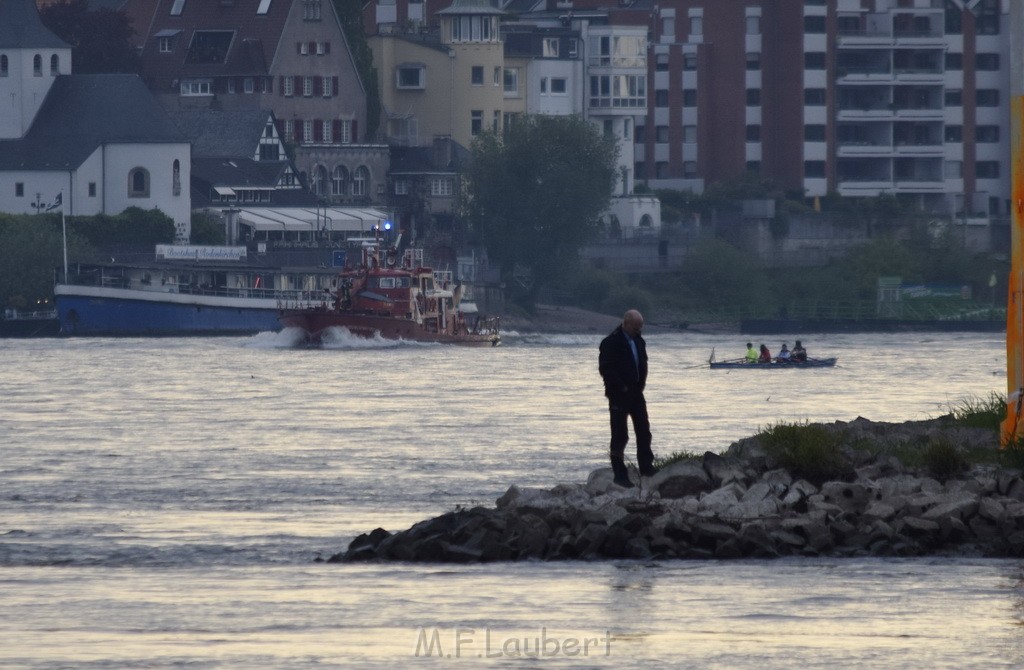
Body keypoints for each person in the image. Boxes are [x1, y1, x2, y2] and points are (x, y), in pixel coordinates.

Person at [599, 309, 655, 488]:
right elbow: (606, 369)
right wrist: (621, 387)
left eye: (641, 326)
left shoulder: (639, 340)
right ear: (626, 323)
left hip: (637, 393)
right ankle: (619, 474)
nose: (639, 330)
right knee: (620, 435)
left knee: (644, 431)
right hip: (618, 395)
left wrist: (641, 386)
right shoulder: (610, 342)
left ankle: (646, 467)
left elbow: (642, 364)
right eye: (636, 326)